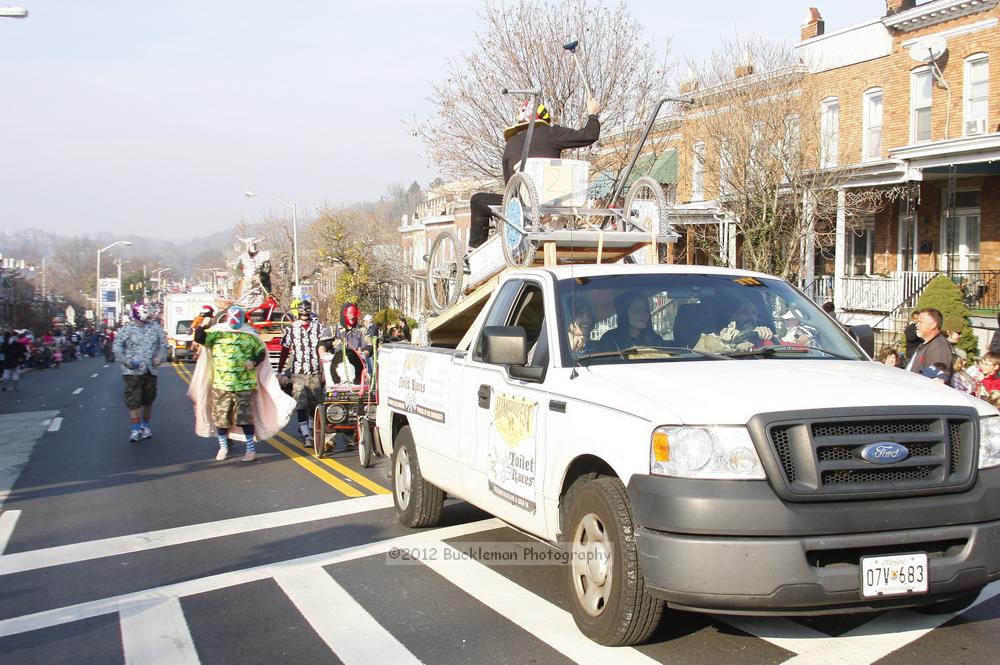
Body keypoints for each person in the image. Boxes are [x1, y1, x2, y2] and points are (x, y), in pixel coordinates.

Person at [468, 96, 602, 251]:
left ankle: (474, 252)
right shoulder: (552, 133)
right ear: (544, 119)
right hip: (554, 204)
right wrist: (592, 114)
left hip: (520, 206)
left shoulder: (511, 144)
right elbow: (589, 135)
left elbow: (509, 186)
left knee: (477, 200)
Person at [191, 305, 294, 462]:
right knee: (222, 418)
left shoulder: (250, 336)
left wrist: (253, 361)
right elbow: (200, 338)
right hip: (222, 384)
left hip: (245, 385)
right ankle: (223, 447)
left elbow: (261, 353)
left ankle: (250, 450)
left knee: (245, 418)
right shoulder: (218, 333)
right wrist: (203, 325)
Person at [113, 302, 168, 442]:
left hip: (150, 370)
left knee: (148, 400)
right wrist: (126, 361)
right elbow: (117, 348)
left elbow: (163, 346)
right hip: (132, 371)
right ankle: (136, 429)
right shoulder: (126, 329)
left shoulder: (155, 328)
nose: (149, 315)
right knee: (134, 401)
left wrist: (160, 357)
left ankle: (146, 426)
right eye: (146, 312)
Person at [277, 299, 324, 446]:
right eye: (301, 313)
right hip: (298, 372)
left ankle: (310, 428)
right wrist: (281, 371)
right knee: (300, 403)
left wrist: (324, 371)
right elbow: (285, 351)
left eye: (306, 312)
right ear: (298, 312)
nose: (304, 315)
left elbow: (325, 349)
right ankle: (306, 434)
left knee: (314, 403)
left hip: (314, 370)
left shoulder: (319, 328)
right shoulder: (291, 329)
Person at [596, 292, 663, 351]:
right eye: (637, 311)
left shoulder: (656, 340)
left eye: (646, 311)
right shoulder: (610, 339)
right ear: (624, 314)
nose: (643, 315)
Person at [328, 303, 372, 385]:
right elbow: (322, 345)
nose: (352, 316)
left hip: (356, 373)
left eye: (354, 313)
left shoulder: (362, 330)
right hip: (336, 373)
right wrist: (323, 352)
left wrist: (364, 353)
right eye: (349, 313)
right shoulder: (333, 329)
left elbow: (369, 345)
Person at [907, 307, 954, 380]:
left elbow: (934, 380)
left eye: (920, 322)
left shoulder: (939, 348)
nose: (916, 325)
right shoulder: (926, 343)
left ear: (933, 325)